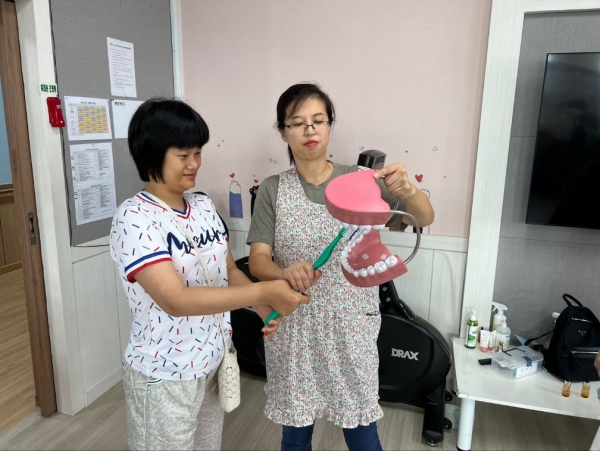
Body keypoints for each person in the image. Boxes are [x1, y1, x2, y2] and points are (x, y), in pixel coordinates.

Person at [110, 97, 308, 450]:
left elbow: (228, 269)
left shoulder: (202, 205)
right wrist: (263, 292)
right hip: (165, 373)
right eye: (183, 155)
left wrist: (262, 308)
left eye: (198, 153)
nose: (194, 164)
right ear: (152, 154)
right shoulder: (134, 218)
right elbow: (175, 300)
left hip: (213, 360)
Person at [247, 83, 435, 451]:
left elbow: (423, 218)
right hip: (294, 327)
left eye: (318, 120)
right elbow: (258, 261)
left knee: (361, 431)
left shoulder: (360, 181)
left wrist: (408, 191)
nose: (310, 130)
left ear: (330, 126)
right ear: (283, 132)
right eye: (297, 122)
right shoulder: (272, 189)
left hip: (350, 325)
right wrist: (284, 273)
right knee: (296, 434)